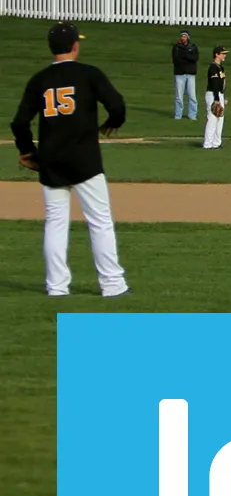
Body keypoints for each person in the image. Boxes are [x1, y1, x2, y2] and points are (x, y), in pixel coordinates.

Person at [12, 22, 129, 298]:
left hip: (51, 160)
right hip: (85, 159)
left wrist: (28, 151)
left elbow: (19, 123)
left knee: (55, 222)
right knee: (99, 221)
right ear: (75, 46)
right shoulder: (89, 74)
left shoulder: (39, 80)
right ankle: (112, 284)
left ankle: (56, 286)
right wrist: (113, 122)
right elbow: (117, 105)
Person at [202, 46, 229, 150]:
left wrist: (222, 97)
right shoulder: (213, 67)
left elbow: (221, 84)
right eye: (222, 53)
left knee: (220, 119)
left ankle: (216, 143)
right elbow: (215, 83)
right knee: (212, 119)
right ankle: (208, 144)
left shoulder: (220, 67)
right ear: (217, 54)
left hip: (219, 94)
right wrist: (217, 98)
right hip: (213, 94)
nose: (224, 55)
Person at [171, 29, 199, 120]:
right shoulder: (176, 47)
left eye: (185, 36)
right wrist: (188, 58)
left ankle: (192, 115)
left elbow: (195, 58)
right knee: (179, 96)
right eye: (182, 36)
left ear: (188, 37)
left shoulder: (193, 47)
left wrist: (185, 56)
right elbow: (176, 60)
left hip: (190, 74)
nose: (183, 38)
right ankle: (178, 115)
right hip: (179, 74)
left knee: (192, 96)